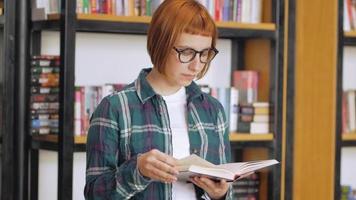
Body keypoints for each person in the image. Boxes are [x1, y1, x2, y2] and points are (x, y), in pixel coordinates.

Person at [84, 0, 232, 199]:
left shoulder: (212, 110)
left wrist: (220, 195)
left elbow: (226, 190)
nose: (196, 66)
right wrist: (138, 170)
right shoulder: (114, 108)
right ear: (160, 43)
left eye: (204, 53)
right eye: (186, 52)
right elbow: (94, 194)